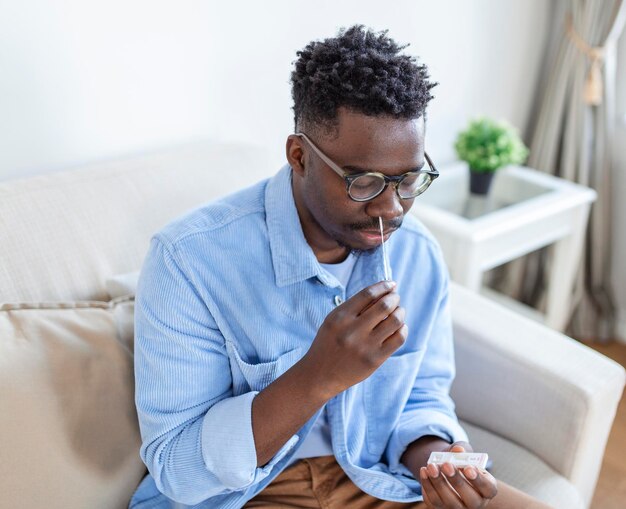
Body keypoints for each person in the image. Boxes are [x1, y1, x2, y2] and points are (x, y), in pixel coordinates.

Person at [130, 25, 552, 509]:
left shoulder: (416, 252)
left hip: (376, 478)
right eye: (366, 182)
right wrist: (317, 376)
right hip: (248, 494)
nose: (392, 209)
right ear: (299, 157)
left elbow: (422, 395)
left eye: (410, 179)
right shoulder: (189, 262)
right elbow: (177, 467)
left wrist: (439, 461)